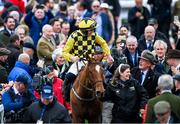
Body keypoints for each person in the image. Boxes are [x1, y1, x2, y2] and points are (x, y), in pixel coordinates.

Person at [62, 17, 114, 102]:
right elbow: (64, 52)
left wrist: (108, 54)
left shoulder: (94, 35)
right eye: (91, 30)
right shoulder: (73, 36)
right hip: (78, 62)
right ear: (85, 31)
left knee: (102, 78)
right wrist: (72, 57)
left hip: (91, 61)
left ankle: (104, 97)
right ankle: (66, 96)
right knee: (69, 77)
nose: (93, 31)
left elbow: (103, 43)